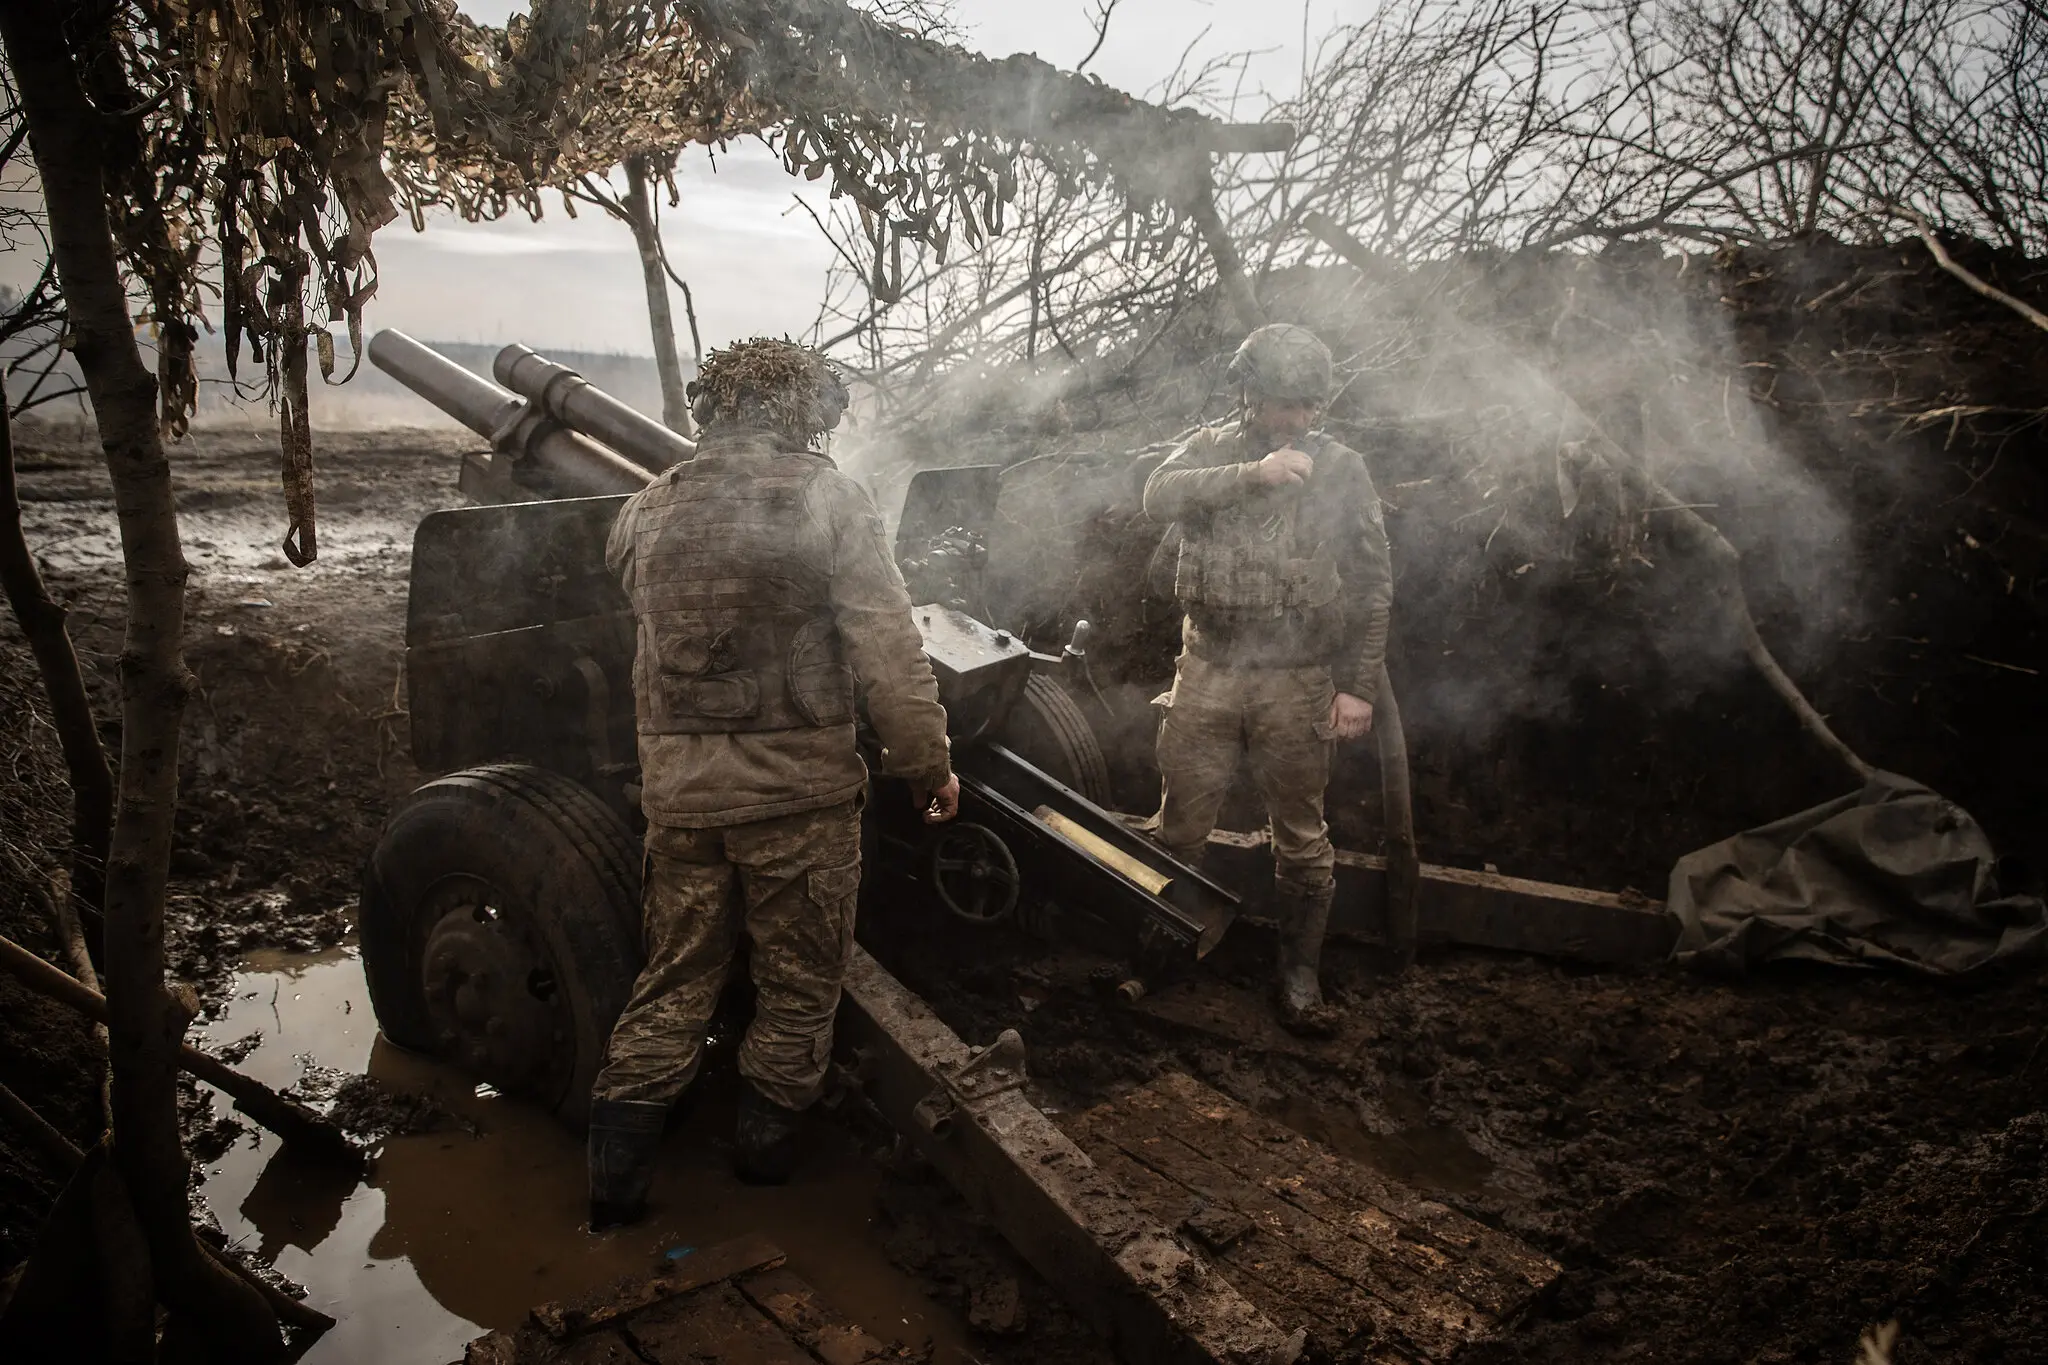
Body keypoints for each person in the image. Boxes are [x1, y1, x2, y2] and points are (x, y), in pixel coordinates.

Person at [588, 338, 959, 1230]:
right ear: (804, 410)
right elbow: (888, 647)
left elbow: (629, 591)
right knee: (799, 987)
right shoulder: (829, 497)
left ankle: (613, 1191)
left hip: (680, 800)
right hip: (800, 802)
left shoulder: (646, 509)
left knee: (673, 980)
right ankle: (761, 1172)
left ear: (713, 408)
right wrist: (929, 763)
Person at [1143, 323, 1393, 1035]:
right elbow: (1155, 496)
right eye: (1281, 402)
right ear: (1247, 393)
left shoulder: (1341, 468)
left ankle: (1298, 971)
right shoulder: (1210, 450)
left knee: (1302, 833)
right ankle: (1164, 942)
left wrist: (1360, 687)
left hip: (1297, 677)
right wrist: (1253, 476)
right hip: (1209, 669)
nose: (1295, 419)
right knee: (1180, 820)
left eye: (1306, 405)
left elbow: (1375, 583)